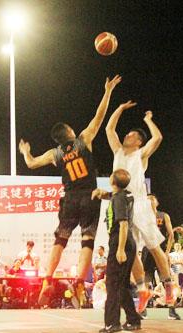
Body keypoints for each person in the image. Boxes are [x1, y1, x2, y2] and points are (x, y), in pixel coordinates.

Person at [18, 74, 122, 306]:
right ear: (70, 132)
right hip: (90, 195)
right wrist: (108, 91)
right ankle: (78, 283)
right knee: (88, 240)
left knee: (60, 240)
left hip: (70, 198)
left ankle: (47, 279)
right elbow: (99, 116)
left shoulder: (55, 153)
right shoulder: (83, 140)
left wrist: (25, 151)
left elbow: (31, 163)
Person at [99, 101, 174, 315]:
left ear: (139, 141)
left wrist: (148, 120)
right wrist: (120, 109)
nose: (127, 135)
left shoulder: (140, 155)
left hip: (140, 204)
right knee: (130, 251)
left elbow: (157, 138)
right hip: (122, 203)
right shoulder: (118, 152)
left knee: (153, 246)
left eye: (131, 134)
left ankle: (168, 285)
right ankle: (143, 290)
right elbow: (109, 128)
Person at [98, 170, 141, 333]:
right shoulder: (124, 195)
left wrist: (120, 249)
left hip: (120, 242)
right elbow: (114, 196)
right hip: (127, 242)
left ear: (112, 181)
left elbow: (123, 224)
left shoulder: (118, 198)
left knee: (112, 284)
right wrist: (103, 194)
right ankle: (133, 320)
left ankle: (112, 323)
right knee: (122, 285)